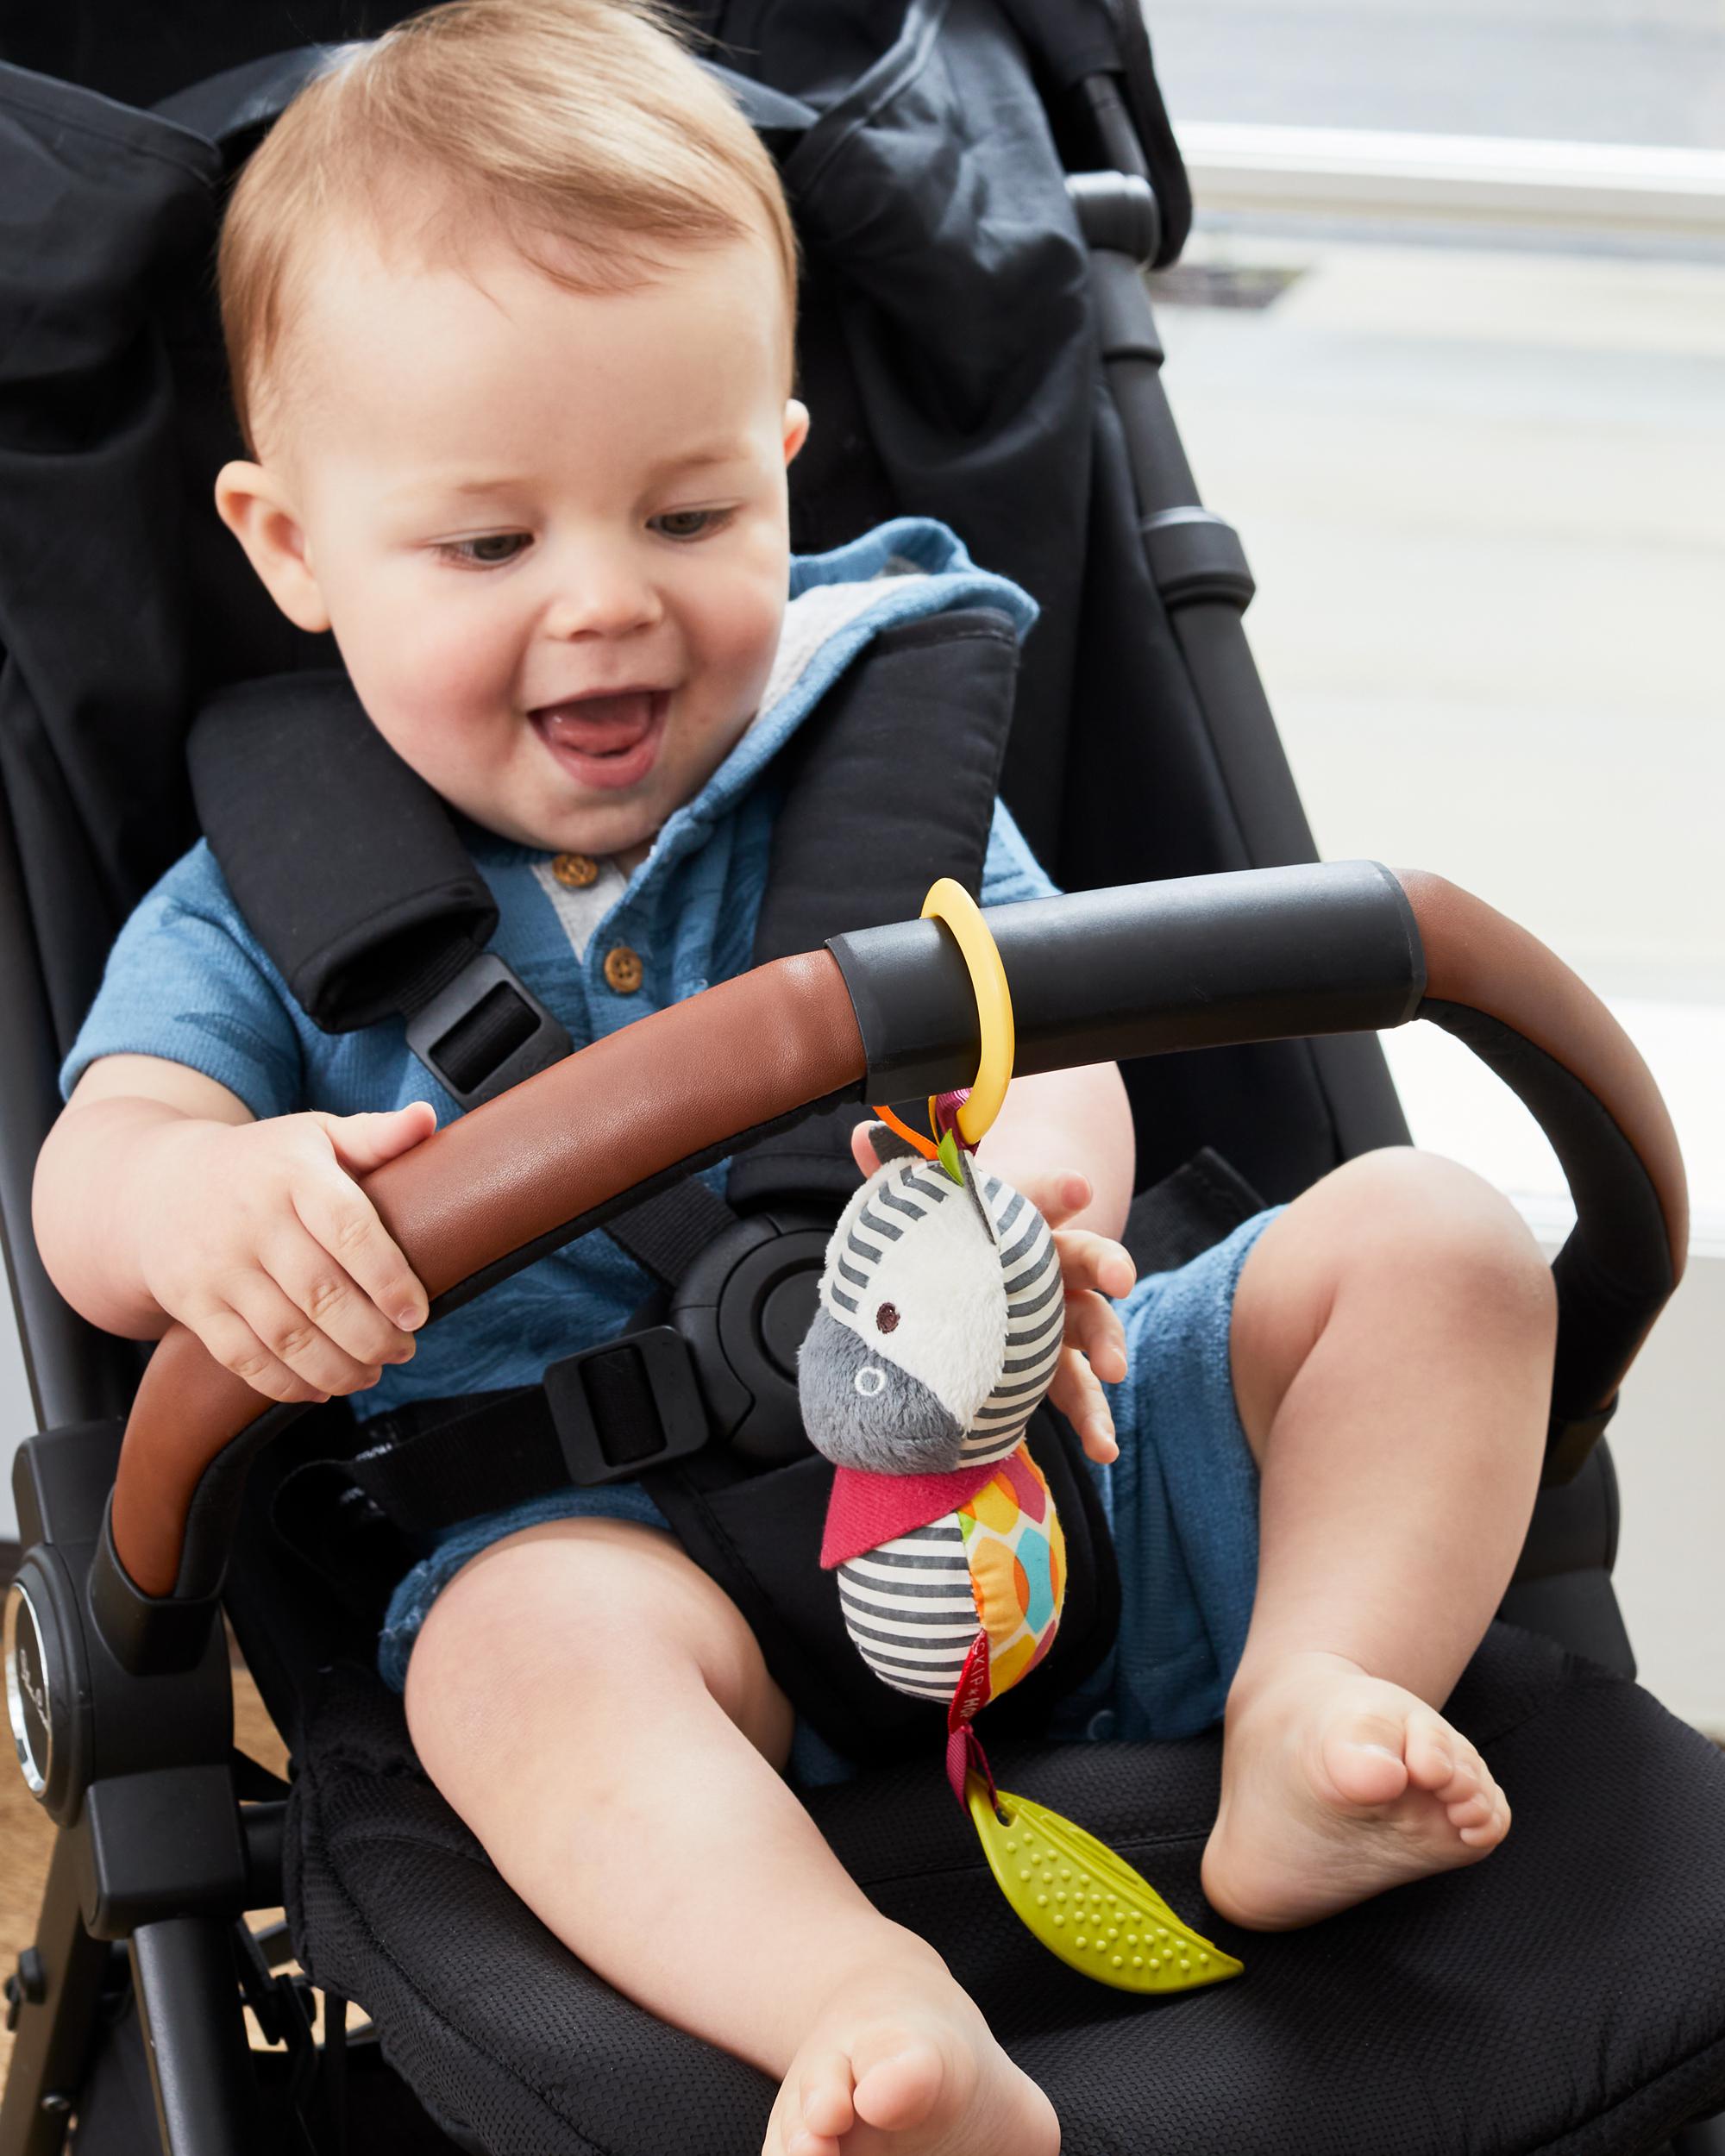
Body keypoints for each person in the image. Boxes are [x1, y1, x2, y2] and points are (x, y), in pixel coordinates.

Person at [30, 3, 1556, 2150]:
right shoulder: (262, 894)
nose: (605, 605)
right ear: (287, 545)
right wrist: (202, 1198)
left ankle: (1319, 1696)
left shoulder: (872, 749)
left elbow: (1053, 1032)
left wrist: (1038, 1196)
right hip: (642, 1568)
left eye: (686, 509)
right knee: (505, 1658)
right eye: (488, 546)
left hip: (1058, 1465)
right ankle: (858, 1998)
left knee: (1437, 1238)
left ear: (783, 458)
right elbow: (103, 1162)